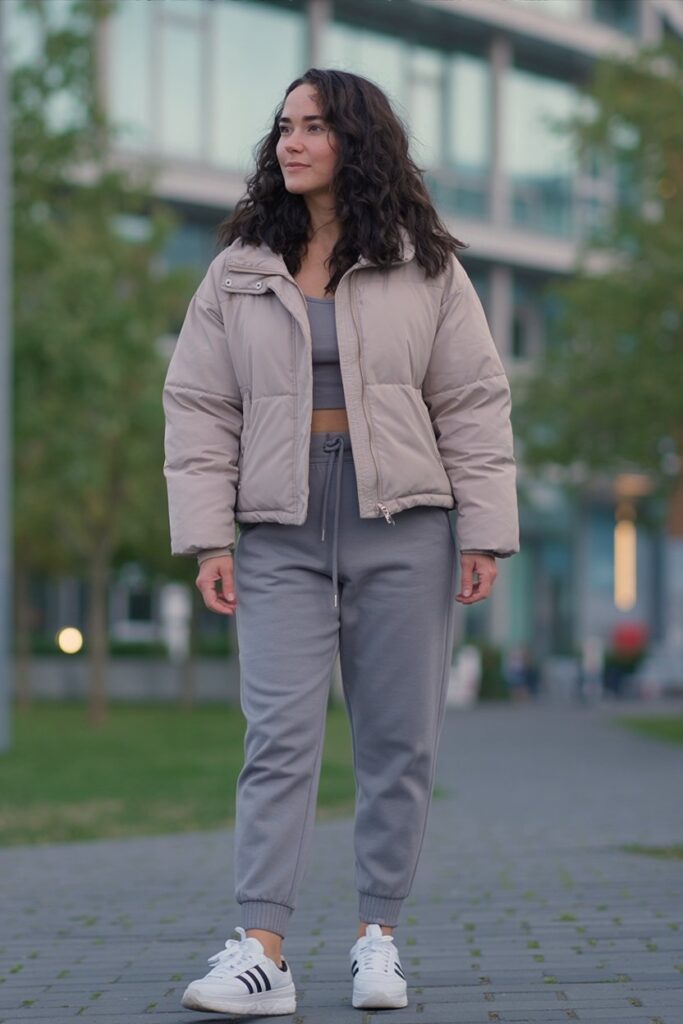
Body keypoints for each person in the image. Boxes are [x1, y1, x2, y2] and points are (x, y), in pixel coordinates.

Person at [163, 67, 519, 1017]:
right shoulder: (239, 263)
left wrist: (485, 528)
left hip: (403, 521)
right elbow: (199, 405)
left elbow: (471, 402)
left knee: (398, 743)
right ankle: (263, 950)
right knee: (277, 736)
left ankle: (377, 940)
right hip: (278, 526)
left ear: (354, 141)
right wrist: (208, 540)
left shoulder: (423, 262)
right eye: (283, 126)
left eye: (314, 126)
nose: (291, 141)